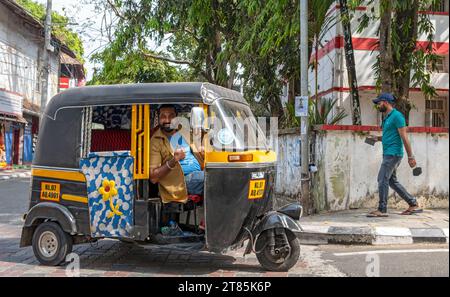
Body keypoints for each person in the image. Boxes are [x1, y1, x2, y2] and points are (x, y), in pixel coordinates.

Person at [367, 93, 421, 217]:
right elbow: (389, 136)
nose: (378, 106)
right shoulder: (386, 117)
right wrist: (377, 138)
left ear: (385, 102)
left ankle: (382, 209)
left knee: (382, 179)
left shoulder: (397, 116)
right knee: (391, 181)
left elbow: (404, 137)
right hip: (388, 153)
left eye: (379, 103)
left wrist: (411, 157)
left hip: (393, 154)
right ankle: (413, 203)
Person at [149, 104, 204, 204]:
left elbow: (198, 149)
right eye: (163, 116)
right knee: (214, 177)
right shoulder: (155, 141)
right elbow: (153, 177)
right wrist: (174, 160)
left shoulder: (183, 130)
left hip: (199, 173)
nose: (167, 120)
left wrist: (202, 151)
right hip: (180, 182)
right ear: (158, 118)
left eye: (171, 116)